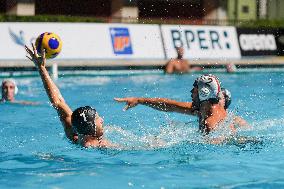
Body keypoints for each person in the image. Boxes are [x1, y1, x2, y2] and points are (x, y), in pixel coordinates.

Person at [25, 44, 113, 148]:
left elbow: (58, 102)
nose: (102, 120)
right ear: (91, 127)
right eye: (98, 118)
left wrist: (41, 68)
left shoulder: (73, 132)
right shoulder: (102, 146)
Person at [115, 74, 232, 134]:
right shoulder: (204, 108)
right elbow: (171, 105)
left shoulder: (211, 123)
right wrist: (139, 100)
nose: (191, 92)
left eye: (194, 89)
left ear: (204, 93)